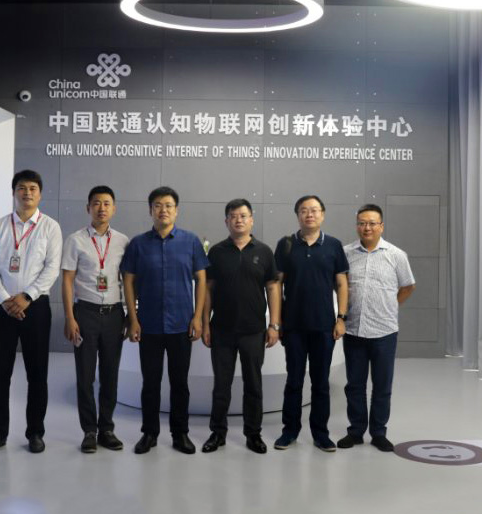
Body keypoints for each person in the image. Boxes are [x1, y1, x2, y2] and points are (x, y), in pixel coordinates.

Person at [121, 186, 208, 455]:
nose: (163, 210)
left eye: (168, 205)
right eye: (158, 205)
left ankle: (180, 434)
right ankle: (149, 433)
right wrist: (133, 319)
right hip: (148, 325)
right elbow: (128, 280)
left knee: (180, 383)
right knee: (150, 383)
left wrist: (198, 317)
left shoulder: (191, 241)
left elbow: (201, 279)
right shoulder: (138, 244)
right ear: (150, 210)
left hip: (181, 324)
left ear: (176, 210)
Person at [0, 170, 63, 454]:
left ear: (40, 193)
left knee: (37, 374)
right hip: (2, 307)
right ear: (13, 192)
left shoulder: (50, 227)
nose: (27, 193)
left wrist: (27, 296)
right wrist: (5, 299)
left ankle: (35, 432)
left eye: (32, 188)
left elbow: (52, 268)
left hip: (35, 307)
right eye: (21, 188)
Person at [201, 199, 281, 455]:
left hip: (254, 331)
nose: (239, 220)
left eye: (243, 216)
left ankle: (253, 434)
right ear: (226, 221)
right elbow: (208, 290)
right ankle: (217, 433)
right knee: (221, 386)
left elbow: (273, 288)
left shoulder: (264, 251)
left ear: (251, 220)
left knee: (253, 385)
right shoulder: (216, 252)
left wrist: (274, 325)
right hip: (222, 330)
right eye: (233, 216)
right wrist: (205, 323)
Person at [337, 204, 415, 452]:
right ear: (357, 226)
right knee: (355, 386)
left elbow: (408, 286)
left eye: (372, 223)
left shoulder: (396, 255)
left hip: (384, 332)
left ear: (381, 226)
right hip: (354, 331)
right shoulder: (346, 253)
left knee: (382, 386)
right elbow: (339, 286)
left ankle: (379, 433)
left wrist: (390, 305)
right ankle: (356, 431)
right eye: (362, 223)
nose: (367, 227)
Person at [273, 195, 348, 452]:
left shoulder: (334, 245)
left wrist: (341, 318)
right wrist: (277, 322)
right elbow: (277, 284)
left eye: (314, 210)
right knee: (294, 381)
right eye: (304, 210)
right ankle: (289, 431)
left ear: (322, 215)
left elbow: (342, 284)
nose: (309, 214)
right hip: (293, 326)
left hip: (323, 327)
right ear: (298, 215)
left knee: (320, 384)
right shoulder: (285, 245)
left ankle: (321, 434)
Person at [61, 185, 129, 454]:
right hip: (85, 314)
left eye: (107, 203)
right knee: (85, 376)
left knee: (110, 375)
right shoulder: (75, 240)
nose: (102, 208)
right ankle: (89, 430)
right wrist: (70, 317)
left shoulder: (123, 241)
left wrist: (128, 315)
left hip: (114, 315)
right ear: (88, 207)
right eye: (96, 203)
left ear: (114, 208)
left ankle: (107, 429)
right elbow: (67, 280)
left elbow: (127, 281)